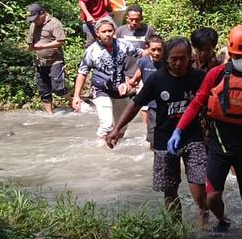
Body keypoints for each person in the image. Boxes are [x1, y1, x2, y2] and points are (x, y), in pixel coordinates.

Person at [175, 25, 242, 233]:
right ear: (229, 53)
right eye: (238, 55)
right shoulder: (216, 74)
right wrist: (179, 129)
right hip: (219, 145)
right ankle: (223, 219)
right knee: (212, 197)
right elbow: (197, 103)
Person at [105, 37, 208, 217]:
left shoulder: (199, 78)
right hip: (164, 139)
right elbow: (135, 104)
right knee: (169, 188)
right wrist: (117, 129)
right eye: (173, 58)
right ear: (166, 59)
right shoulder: (156, 80)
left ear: (189, 58)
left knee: (198, 181)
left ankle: (203, 215)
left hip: (194, 137)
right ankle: (175, 226)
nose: (178, 63)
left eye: (182, 58)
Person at [73, 17, 141, 144]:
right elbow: (82, 72)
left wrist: (133, 80)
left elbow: (142, 55)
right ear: (97, 33)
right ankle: (100, 152)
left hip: (121, 89)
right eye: (104, 31)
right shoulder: (92, 51)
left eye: (110, 31)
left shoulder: (123, 45)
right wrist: (77, 96)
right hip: (101, 90)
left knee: (122, 125)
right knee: (107, 125)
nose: (107, 34)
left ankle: (115, 150)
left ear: (114, 31)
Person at [27, 3, 68, 114]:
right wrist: (30, 47)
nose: (34, 21)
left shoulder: (54, 23)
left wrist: (43, 46)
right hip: (40, 62)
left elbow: (61, 41)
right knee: (44, 91)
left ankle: (74, 101)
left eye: (35, 18)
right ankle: (50, 115)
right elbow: (30, 42)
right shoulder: (33, 25)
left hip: (55, 60)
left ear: (42, 13)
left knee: (58, 88)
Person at [129, 34, 165, 146]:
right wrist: (128, 85)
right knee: (152, 136)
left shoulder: (168, 62)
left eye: (159, 50)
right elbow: (135, 79)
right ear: (147, 48)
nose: (156, 53)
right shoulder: (143, 62)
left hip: (167, 104)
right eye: (153, 49)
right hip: (152, 105)